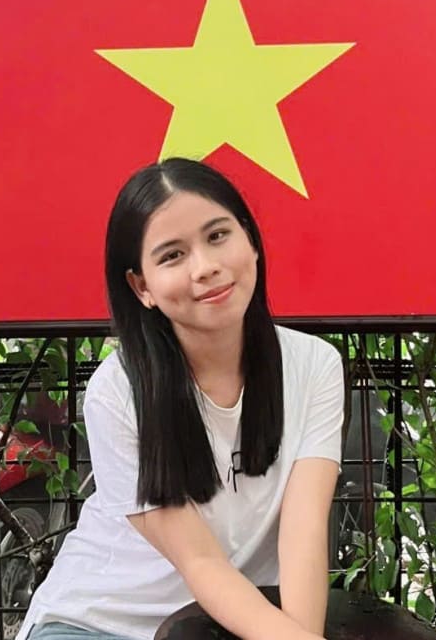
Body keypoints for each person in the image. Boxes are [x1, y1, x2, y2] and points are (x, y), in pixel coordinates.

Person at [19, 157, 345, 640]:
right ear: (142, 287)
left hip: (227, 624)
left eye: (218, 236)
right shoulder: (118, 393)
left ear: (251, 241)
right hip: (98, 623)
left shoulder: (315, 366)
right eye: (172, 255)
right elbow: (200, 561)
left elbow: (303, 535)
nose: (206, 267)